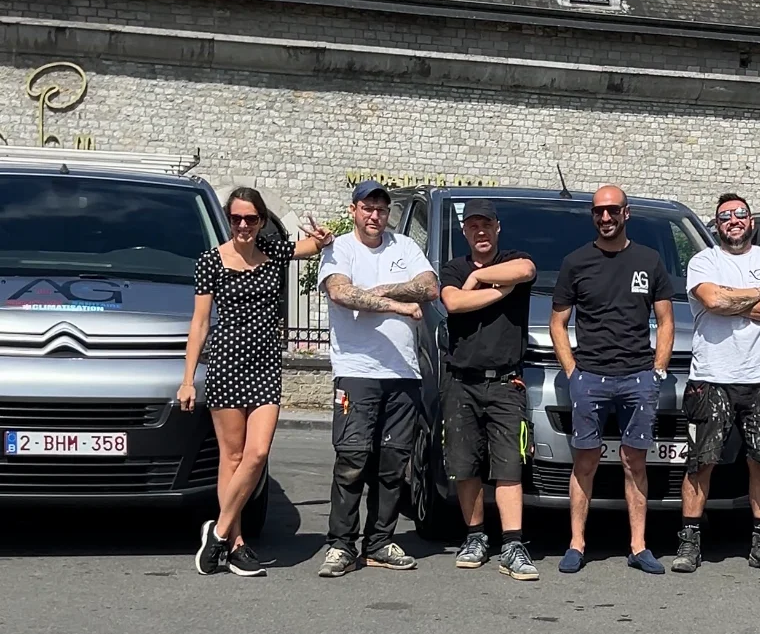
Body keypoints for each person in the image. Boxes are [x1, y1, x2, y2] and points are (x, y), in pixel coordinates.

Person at [183, 187, 334, 577]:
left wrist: (323, 239)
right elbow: (200, 323)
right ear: (228, 220)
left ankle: (216, 532)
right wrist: (188, 379)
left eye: (250, 218)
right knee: (232, 458)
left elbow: (309, 248)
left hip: (265, 368)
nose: (243, 225)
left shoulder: (273, 252)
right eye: (236, 218)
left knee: (258, 454)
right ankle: (235, 544)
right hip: (226, 367)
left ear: (262, 221)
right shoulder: (210, 261)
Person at [314, 179, 439, 579]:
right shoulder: (339, 249)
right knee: (352, 460)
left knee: (393, 462)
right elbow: (341, 293)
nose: (375, 216)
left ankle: (379, 541)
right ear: (354, 210)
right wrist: (397, 306)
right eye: (367, 208)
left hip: (403, 373)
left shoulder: (405, 246)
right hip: (357, 372)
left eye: (382, 209)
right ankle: (341, 544)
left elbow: (429, 287)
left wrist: (387, 290)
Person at [550, 185, 675, 575]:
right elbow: (558, 323)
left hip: (638, 377)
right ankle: (576, 544)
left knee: (634, 461)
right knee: (585, 460)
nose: (605, 217)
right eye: (598, 211)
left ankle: (638, 546)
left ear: (626, 213)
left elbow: (666, 320)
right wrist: (572, 372)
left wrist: (657, 370)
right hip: (590, 377)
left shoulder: (649, 260)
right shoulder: (575, 262)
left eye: (613, 210)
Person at [673, 193, 760, 574]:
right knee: (701, 462)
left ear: (751, 221)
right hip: (712, 377)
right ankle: (690, 541)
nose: (733, 220)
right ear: (717, 225)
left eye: (740, 214)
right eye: (725, 216)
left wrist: (733, 300)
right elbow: (712, 300)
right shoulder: (704, 261)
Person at [437, 199, 540, 581]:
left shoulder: (514, 259)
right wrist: (500, 291)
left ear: (497, 228)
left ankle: (512, 545)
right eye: (473, 225)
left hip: (505, 382)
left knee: (509, 465)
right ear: (464, 231)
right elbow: (454, 302)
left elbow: (526, 270)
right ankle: (475, 537)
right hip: (461, 381)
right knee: (465, 465)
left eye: (486, 225)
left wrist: (479, 280)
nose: (480, 231)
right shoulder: (453, 268)